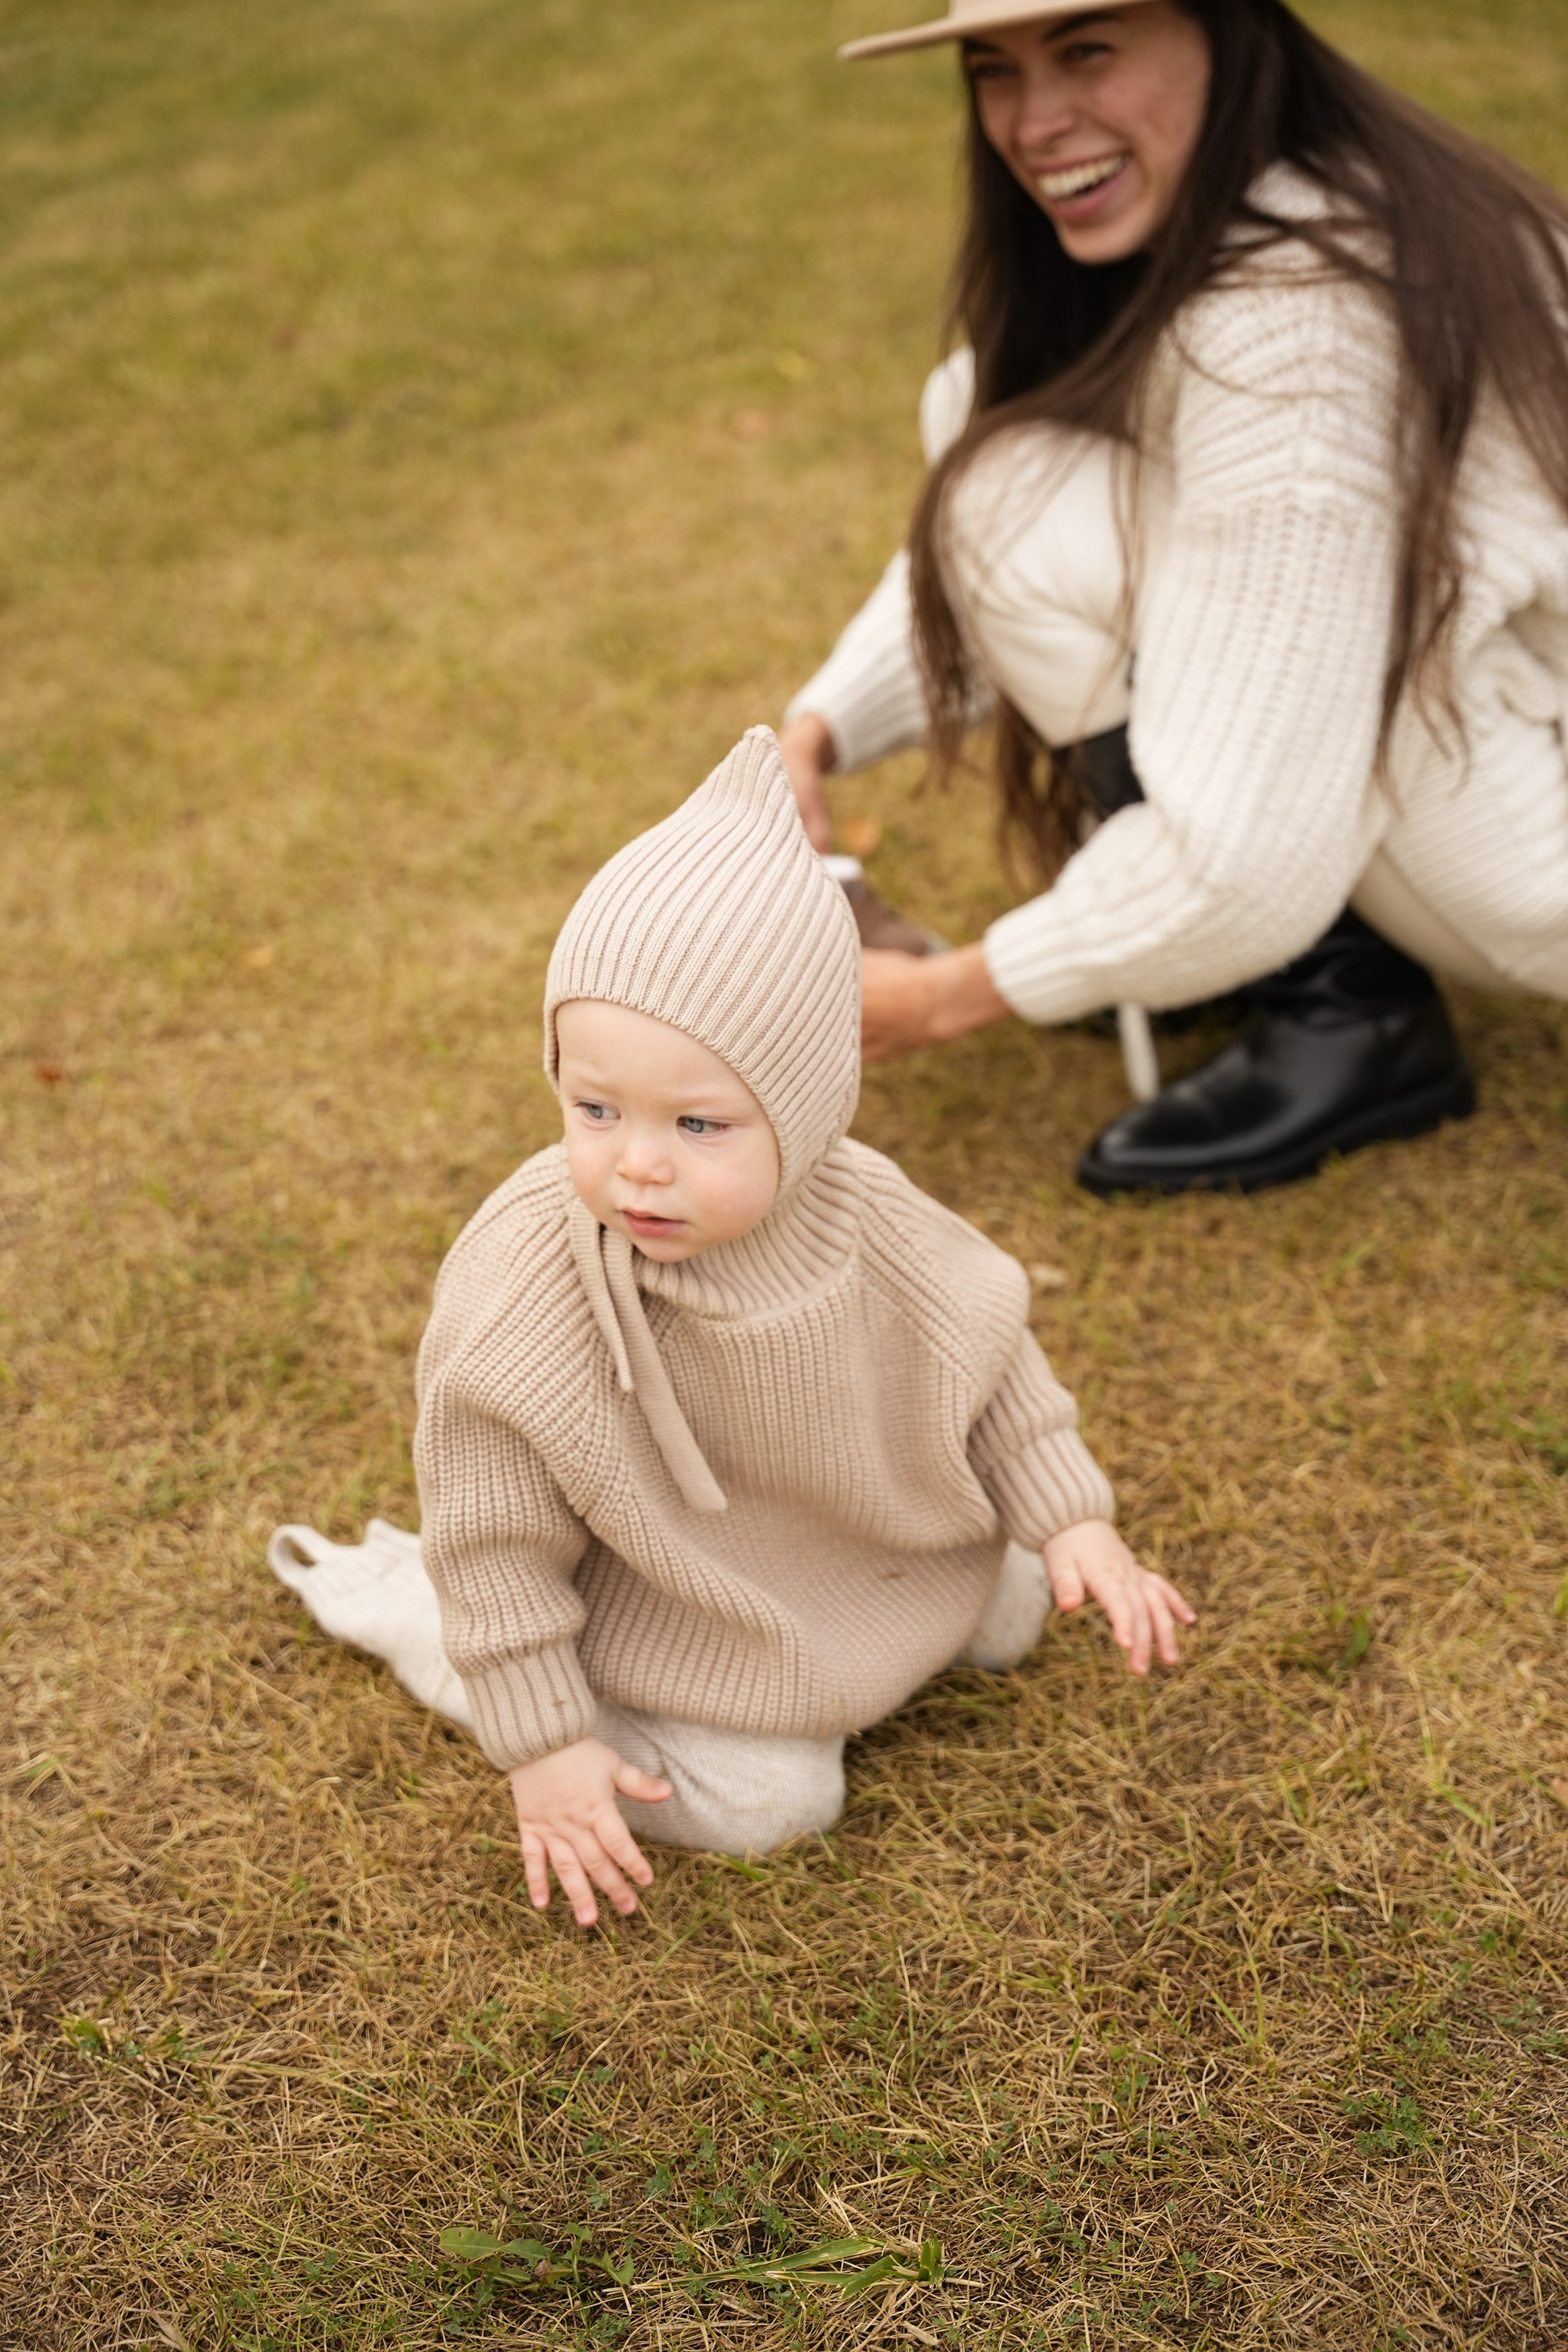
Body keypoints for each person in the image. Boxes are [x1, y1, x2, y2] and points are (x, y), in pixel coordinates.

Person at [269, 729, 1193, 1923]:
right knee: (773, 1803)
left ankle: (899, 1614)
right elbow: (497, 1541)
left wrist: (1072, 1518)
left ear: (806, 1109)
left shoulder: (863, 1206)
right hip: (688, 1612)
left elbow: (991, 1357)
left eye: (699, 1125)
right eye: (594, 1108)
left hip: (860, 1537)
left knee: (1015, 1609)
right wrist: (544, 1746)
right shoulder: (527, 1297)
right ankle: (443, 1647)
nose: (639, 1166)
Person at [783, 0, 1568, 1193]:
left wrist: (942, 997)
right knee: (981, 423)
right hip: (1497, 743)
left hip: (1535, 859)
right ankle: (1251, 967)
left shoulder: (1296, 326)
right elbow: (1004, 532)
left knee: (1006, 484)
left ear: (1229, 32)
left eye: (1088, 50)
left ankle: (1350, 1011)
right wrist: (819, 728)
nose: (1037, 122)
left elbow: (1248, 849)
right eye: (997, 69)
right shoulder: (1260, 206)